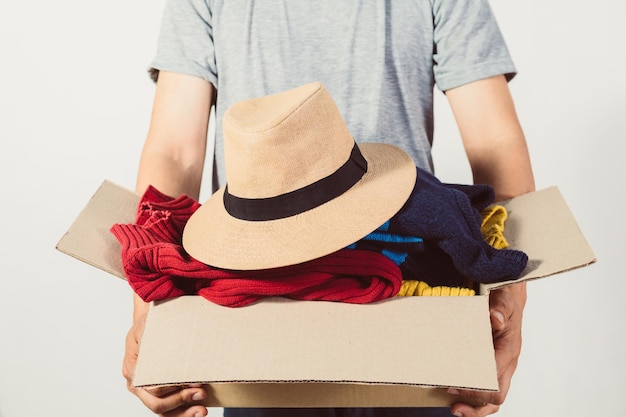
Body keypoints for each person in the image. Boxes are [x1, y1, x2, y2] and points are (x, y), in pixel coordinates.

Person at [123, 1, 535, 417]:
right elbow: (175, 153)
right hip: (257, 317)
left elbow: (494, 142)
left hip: (414, 308)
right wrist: (152, 317)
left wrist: (508, 306)